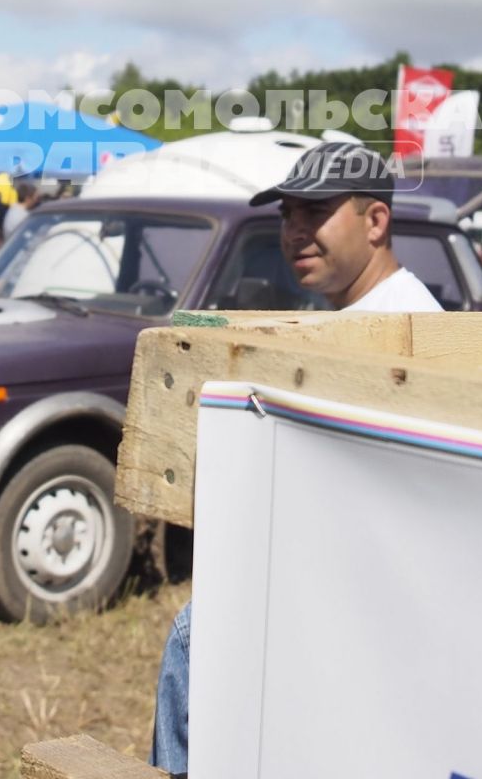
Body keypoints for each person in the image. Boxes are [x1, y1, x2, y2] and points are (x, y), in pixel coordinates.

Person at [150, 142, 437, 776]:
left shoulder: (408, 327)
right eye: (286, 214)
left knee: (200, 639)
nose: (295, 231)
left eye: (315, 211)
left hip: (360, 611)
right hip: (326, 592)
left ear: (376, 221)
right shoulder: (348, 321)